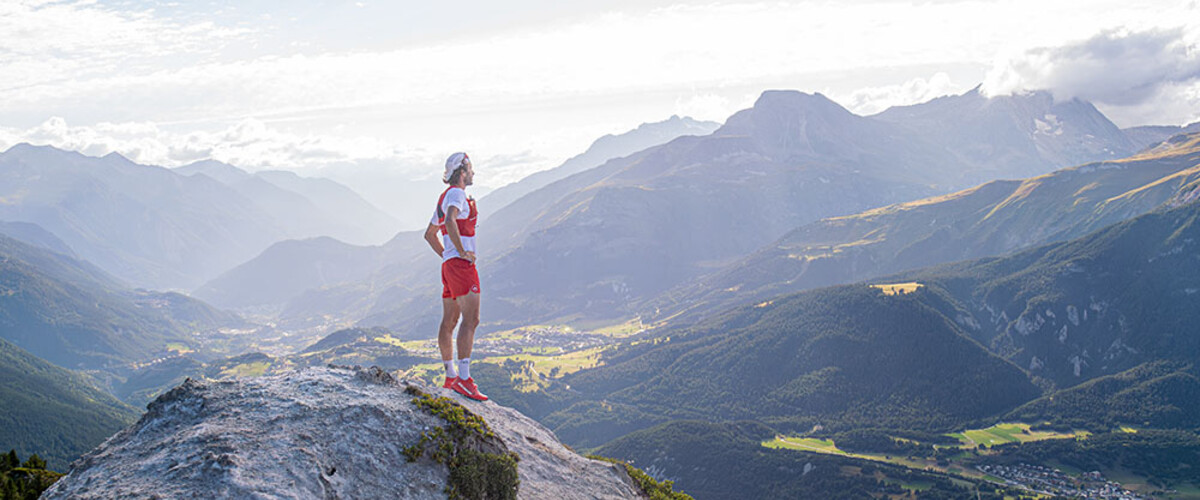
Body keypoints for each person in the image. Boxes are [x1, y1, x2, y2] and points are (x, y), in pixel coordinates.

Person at [423, 152, 488, 401]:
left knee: (449, 320)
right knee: (471, 320)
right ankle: (463, 379)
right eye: (470, 169)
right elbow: (451, 220)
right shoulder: (457, 194)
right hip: (461, 266)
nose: (473, 173)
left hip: (450, 267)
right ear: (461, 173)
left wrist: (447, 256)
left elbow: (430, 234)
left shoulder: (444, 197)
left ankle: (450, 374)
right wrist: (461, 253)